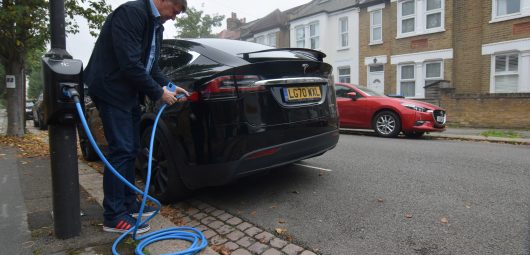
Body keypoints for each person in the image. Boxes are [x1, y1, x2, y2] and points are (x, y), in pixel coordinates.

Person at [84, 0, 188, 234]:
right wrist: (158, 93)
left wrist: (170, 85)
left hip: (128, 92)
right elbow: (129, 63)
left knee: (131, 149)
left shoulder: (156, 25)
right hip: (111, 89)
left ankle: (128, 204)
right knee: (121, 149)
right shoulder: (132, 13)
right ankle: (114, 216)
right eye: (175, 10)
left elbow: (150, 67)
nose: (174, 17)